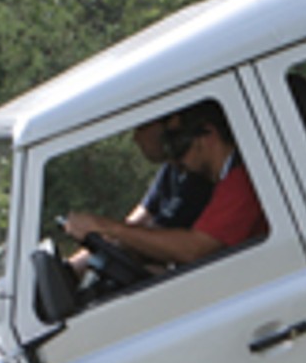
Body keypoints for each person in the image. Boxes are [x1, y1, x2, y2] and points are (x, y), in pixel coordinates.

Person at [63, 100, 266, 268]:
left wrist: (109, 227)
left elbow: (194, 249)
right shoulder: (226, 179)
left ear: (208, 136)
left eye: (179, 145)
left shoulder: (242, 181)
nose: (175, 159)